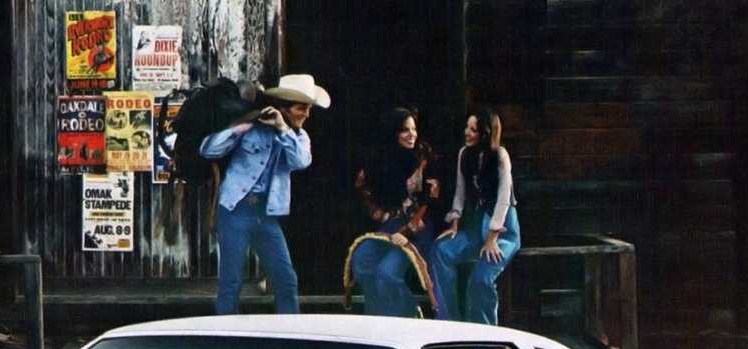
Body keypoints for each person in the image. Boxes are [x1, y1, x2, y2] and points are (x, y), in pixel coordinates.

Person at [200, 73, 329, 315]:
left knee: (286, 279)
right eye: (301, 108)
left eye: (309, 108)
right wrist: (241, 126)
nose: (306, 114)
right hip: (236, 209)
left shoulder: (298, 137)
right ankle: (226, 333)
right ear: (285, 107)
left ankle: (290, 332)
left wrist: (282, 128)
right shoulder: (251, 127)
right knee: (231, 281)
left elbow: (301, 162)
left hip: (266, 213)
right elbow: (208, 150)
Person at [430, 106, 521, 328]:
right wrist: (454, 222)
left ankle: (486, 338)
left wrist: (492, 238)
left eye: (473, 129)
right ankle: (448, 322)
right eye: (467, 127)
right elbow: (460, 192)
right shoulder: (465, 154)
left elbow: (504, 198)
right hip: (476, 228)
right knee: (440, 250)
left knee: (480, 279)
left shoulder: (500, 155)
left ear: (486, 132)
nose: (467, 133)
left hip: (503, 231)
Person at [346, 107, 441, 318]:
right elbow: (364, 189)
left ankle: (409, 313)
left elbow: (430, 200)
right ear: (393, 133)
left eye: (413, 129)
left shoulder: (425, 158)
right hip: (393, 225)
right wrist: (380, 214)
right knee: (361, 261)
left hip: (419, 227)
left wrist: (408, 230)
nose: (412, 134)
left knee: (387, 273)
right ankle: (377, 317)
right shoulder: (381, 159)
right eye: (405, 130)